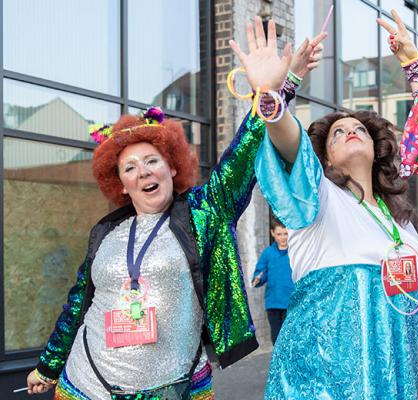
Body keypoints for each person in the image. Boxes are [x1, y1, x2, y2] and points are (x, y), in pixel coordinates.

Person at [26, 18, 323, 399]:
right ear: (119, 183)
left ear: (172, 166)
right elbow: (78, 305)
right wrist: (49, 365)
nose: (143, 172)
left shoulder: (203, 212)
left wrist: (273, 89)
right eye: (129, 168)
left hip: (174, 389)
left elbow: (242, 156)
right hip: (86, 386)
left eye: (151, 161)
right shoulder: (106, 232)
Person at [230, 11, 418, 399]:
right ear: (323, 159)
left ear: (377, 150)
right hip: (321, 382)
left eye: (359, 129)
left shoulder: (401, 224)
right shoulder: (319, 198)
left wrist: (416, 68)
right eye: (338, 133)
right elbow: (287, 139)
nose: (351, 131)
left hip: (390, 379)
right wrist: (272, 96)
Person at [252, 217, 294, 344]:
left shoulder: (295, 252)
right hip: (274, 303)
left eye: (285, 234)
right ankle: (278, 364)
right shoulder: (268, 253)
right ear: (272, 233)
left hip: (292, 302)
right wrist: (257, 279)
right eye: (279, 234)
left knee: (290, 338)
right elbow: (260, 273)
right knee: (276, 339)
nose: (282, 237)